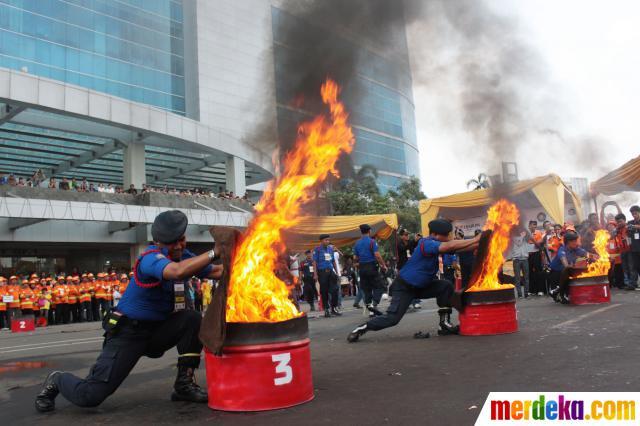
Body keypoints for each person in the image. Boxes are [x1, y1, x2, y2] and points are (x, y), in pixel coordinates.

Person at [35, 210, 224, 412]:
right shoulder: (150, 258)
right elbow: (176, 272)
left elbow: (216, 271)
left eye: (181, 240)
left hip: (157, 330)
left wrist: (249, 259)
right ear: (158, 242)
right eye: (172, 243)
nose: (178, 246)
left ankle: (184, 384)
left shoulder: (184, 256)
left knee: (192, 319)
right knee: (90, 396)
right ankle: (57, 379)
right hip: (129, 333)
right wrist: (214, 252)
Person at [347, 219, 481, 342]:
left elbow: (460, 248)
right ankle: (361, 329)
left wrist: (479, 243)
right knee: (392, 319)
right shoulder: (427, 243)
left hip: (421, 286)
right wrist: (476, 239)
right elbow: (450, 246)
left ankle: (444, 324)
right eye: (445, 235)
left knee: (445, 286)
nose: (447, 238)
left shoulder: (437, 243)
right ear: (434, 234)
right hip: (405, 287)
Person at [548, 232, 598, 304]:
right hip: (556, 274)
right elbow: (564, 262)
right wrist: (568, 266)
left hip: (566, 272)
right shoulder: (562, 250)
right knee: (568, 271)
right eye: (575, 241)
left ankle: (556, 291)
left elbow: (588, 255)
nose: (577, 243)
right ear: (569, 242)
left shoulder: (576, 249)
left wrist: (602, 258)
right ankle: (560, 293)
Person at [353, 224, 388, 317]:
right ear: (369, 231)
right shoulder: (372, 242)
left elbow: (355, 257)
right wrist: (383, 265)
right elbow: (377, 255)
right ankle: (374, 303)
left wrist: (358, 264)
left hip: (362, 268)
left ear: (361, 232)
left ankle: (370, 308)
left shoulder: (357, 243)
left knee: (366, 289)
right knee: (379, 286)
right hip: (371, 267)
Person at [312, 234, 341, 317]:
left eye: (328, 240)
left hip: (331, 272)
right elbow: (314, 262)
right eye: (326, 240)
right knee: (324, 292)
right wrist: (315, 274)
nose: (327, 241)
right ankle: (326, 309)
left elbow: (333, 261)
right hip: (322, 273)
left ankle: (334, 308)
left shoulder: (330, 249)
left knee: (335, 289)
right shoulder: (317, 249)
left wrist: (337, 272)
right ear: (321, 241)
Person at [510, 226, 531, 298]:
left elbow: (530, 237)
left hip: (525, 259)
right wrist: (522, 236)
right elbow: (519, 243)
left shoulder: (525, 236)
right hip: (516, 259)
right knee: (517, 277)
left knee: (526, 277)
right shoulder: (513, 237)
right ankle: (519, 294)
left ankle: (526, 293)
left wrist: (527, 232)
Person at [628, 206, 640, 289]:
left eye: (635, 213)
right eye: (632, 214)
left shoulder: (634, 224)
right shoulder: (630, 222)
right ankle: (633, 283)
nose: (634, 215)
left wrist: (636, 227)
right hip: (634, 248)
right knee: (636, 266)